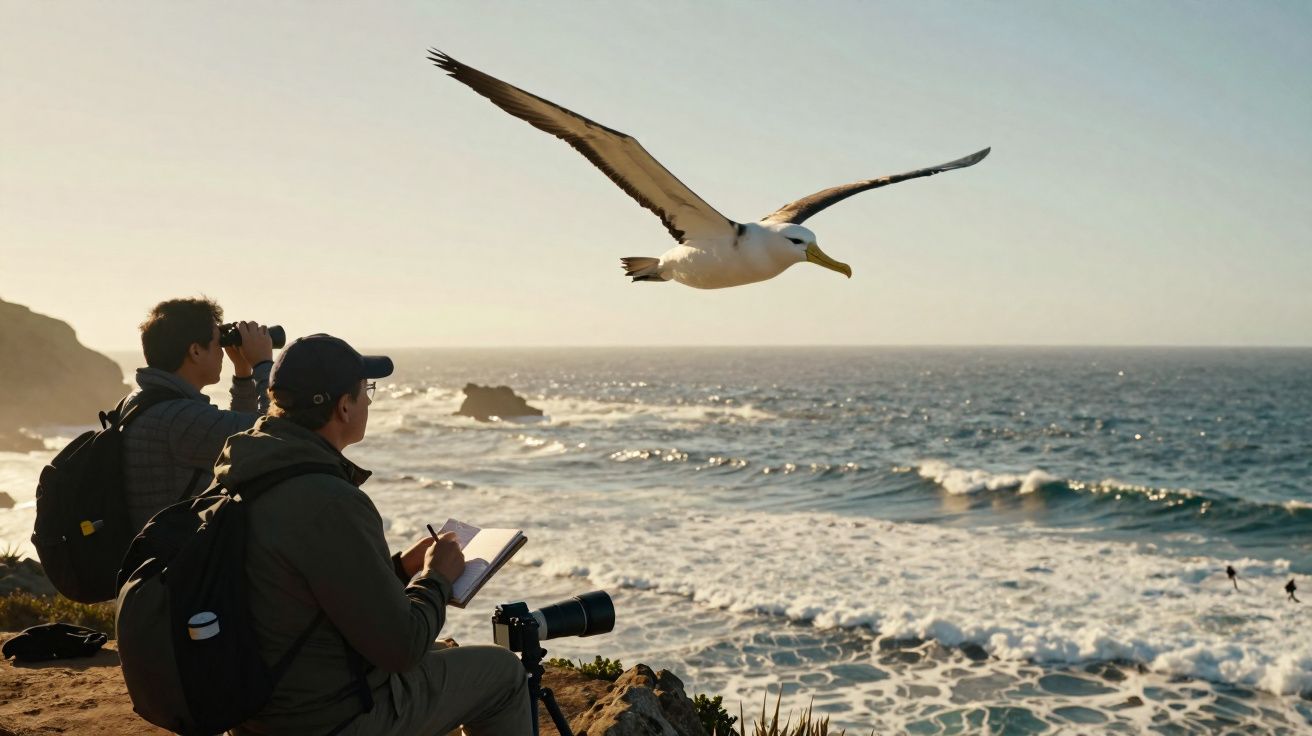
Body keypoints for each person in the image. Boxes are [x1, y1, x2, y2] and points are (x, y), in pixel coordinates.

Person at [224, 334, 531, 735]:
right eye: (365, 390)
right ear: (344, 406)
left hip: (260, 709)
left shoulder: (246, 469)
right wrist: (435, 578)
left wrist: (400, 569)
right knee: (503, 673)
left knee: (442, 657)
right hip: (327, 718)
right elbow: (402, 647)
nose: (369, 401)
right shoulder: (330, 501)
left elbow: (306, 588)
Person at [121, 297, 275, 531]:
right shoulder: (179, 417)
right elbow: (273, 435)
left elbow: (240, 437)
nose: (223, 353)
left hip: (153, 554)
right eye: (217, 343)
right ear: (195, 351)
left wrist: (244, 374)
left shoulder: (142, 400)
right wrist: (263, 365)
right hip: (176, 561)